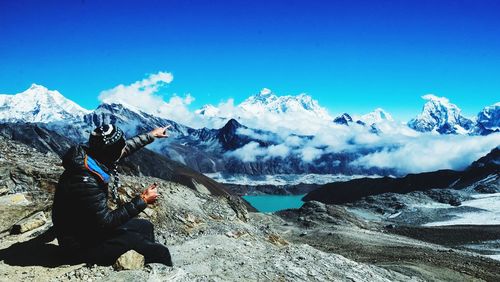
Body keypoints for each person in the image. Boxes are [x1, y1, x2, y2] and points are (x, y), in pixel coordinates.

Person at [51, 124, 173, 266]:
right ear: (111, 153)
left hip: (87, 230)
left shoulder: (92, 154)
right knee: (160, 252)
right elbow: (106, 223)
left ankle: (137, 261)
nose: (124, 149)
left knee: (145, 227)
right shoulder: (85, 181)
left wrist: (151, 135)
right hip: (81, 245)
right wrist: (143, 200)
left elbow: (123, 148)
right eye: (120, 146)